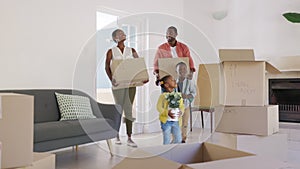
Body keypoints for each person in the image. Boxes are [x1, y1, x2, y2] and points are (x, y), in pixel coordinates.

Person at [105, 29, 148, 147]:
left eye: (123, 32)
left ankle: (129, 137)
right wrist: (111, 79)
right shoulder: (111, 51)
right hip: (118, 85)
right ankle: (117, 135)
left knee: (129, 109)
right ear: (115, 38)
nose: (123, 34)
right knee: (119, 109)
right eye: (120, 33)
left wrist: (143, 77)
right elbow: (107, 67)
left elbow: (139, 66)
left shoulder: (132, 50)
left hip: (131, 84)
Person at [156, 75, 185, 144]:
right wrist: (166, 112)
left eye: (174, 80)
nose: (175, 81)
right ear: (166, 85)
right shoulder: (163, 96)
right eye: (172, 80)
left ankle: (172, 149)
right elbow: (158, 107)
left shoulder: (178, 95)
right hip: (166, 122)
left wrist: (181, 112)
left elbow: (181, 106)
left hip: (176, 122)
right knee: (166, 140)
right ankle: (166, 151)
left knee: (178, 139)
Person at [175, 62, 197, 143]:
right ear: (176, 71)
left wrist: (187, 96)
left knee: (185, 122)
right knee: (177, 122)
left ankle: (183, 137)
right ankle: (176, 137)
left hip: (186, 106)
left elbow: (194, 93)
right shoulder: (174, 82)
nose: (182, 71)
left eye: (184, 69)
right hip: (177, 106)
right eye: (180, 69)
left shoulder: (189, 82)